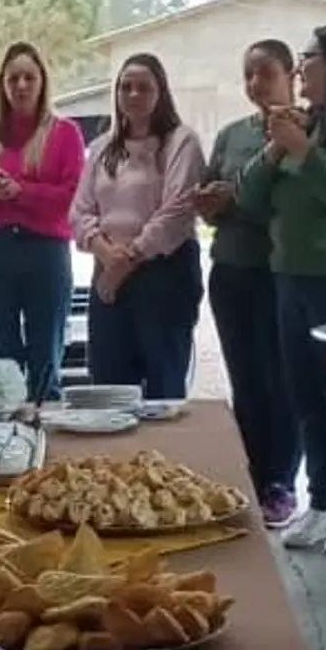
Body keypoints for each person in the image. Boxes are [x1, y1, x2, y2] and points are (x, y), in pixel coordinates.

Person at [238, 24, 326, 555]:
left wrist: (303, 153)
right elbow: (249, 198)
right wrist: (274, 151)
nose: (301, 69)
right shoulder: (307, 124)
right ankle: (324, 502)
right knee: (305, 395)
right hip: (289, 278)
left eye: (308, 58)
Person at [194, 41, 301, 528]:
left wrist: (233, 201)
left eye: (265, 73)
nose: (256, 84)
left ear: (290, 74)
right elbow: (214, 192)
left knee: (280, 379)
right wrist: (210, 201)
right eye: (248, 74)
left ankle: (280, 481)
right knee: (246, 379)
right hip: (230, 269)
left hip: (277, 272)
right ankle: (251, 474)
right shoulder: (233, 133)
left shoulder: (305, 131)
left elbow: (280, 204)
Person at [70, 52, 205, 399]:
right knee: (109, 387)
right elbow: (80, 212)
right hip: (109, 271)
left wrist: (127, 260)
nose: (133, 95)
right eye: (125, 87)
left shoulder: (181, 142)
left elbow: (176, 211)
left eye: (143, 87)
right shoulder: (101, 148)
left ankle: (162, 455)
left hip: (164, 273)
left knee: (163, 385)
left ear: (161, 93)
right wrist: (106, 254)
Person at [0, 42, 85, 402]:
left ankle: (47, 428)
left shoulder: (64, 134)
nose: (21, 86)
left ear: (42, 82)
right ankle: (7, 428)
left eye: (29, 77)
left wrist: (21, 192)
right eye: (13, 78)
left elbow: (72, 197)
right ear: (2, 84)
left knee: (46, 348)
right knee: (1, 350)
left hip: (45, 250)